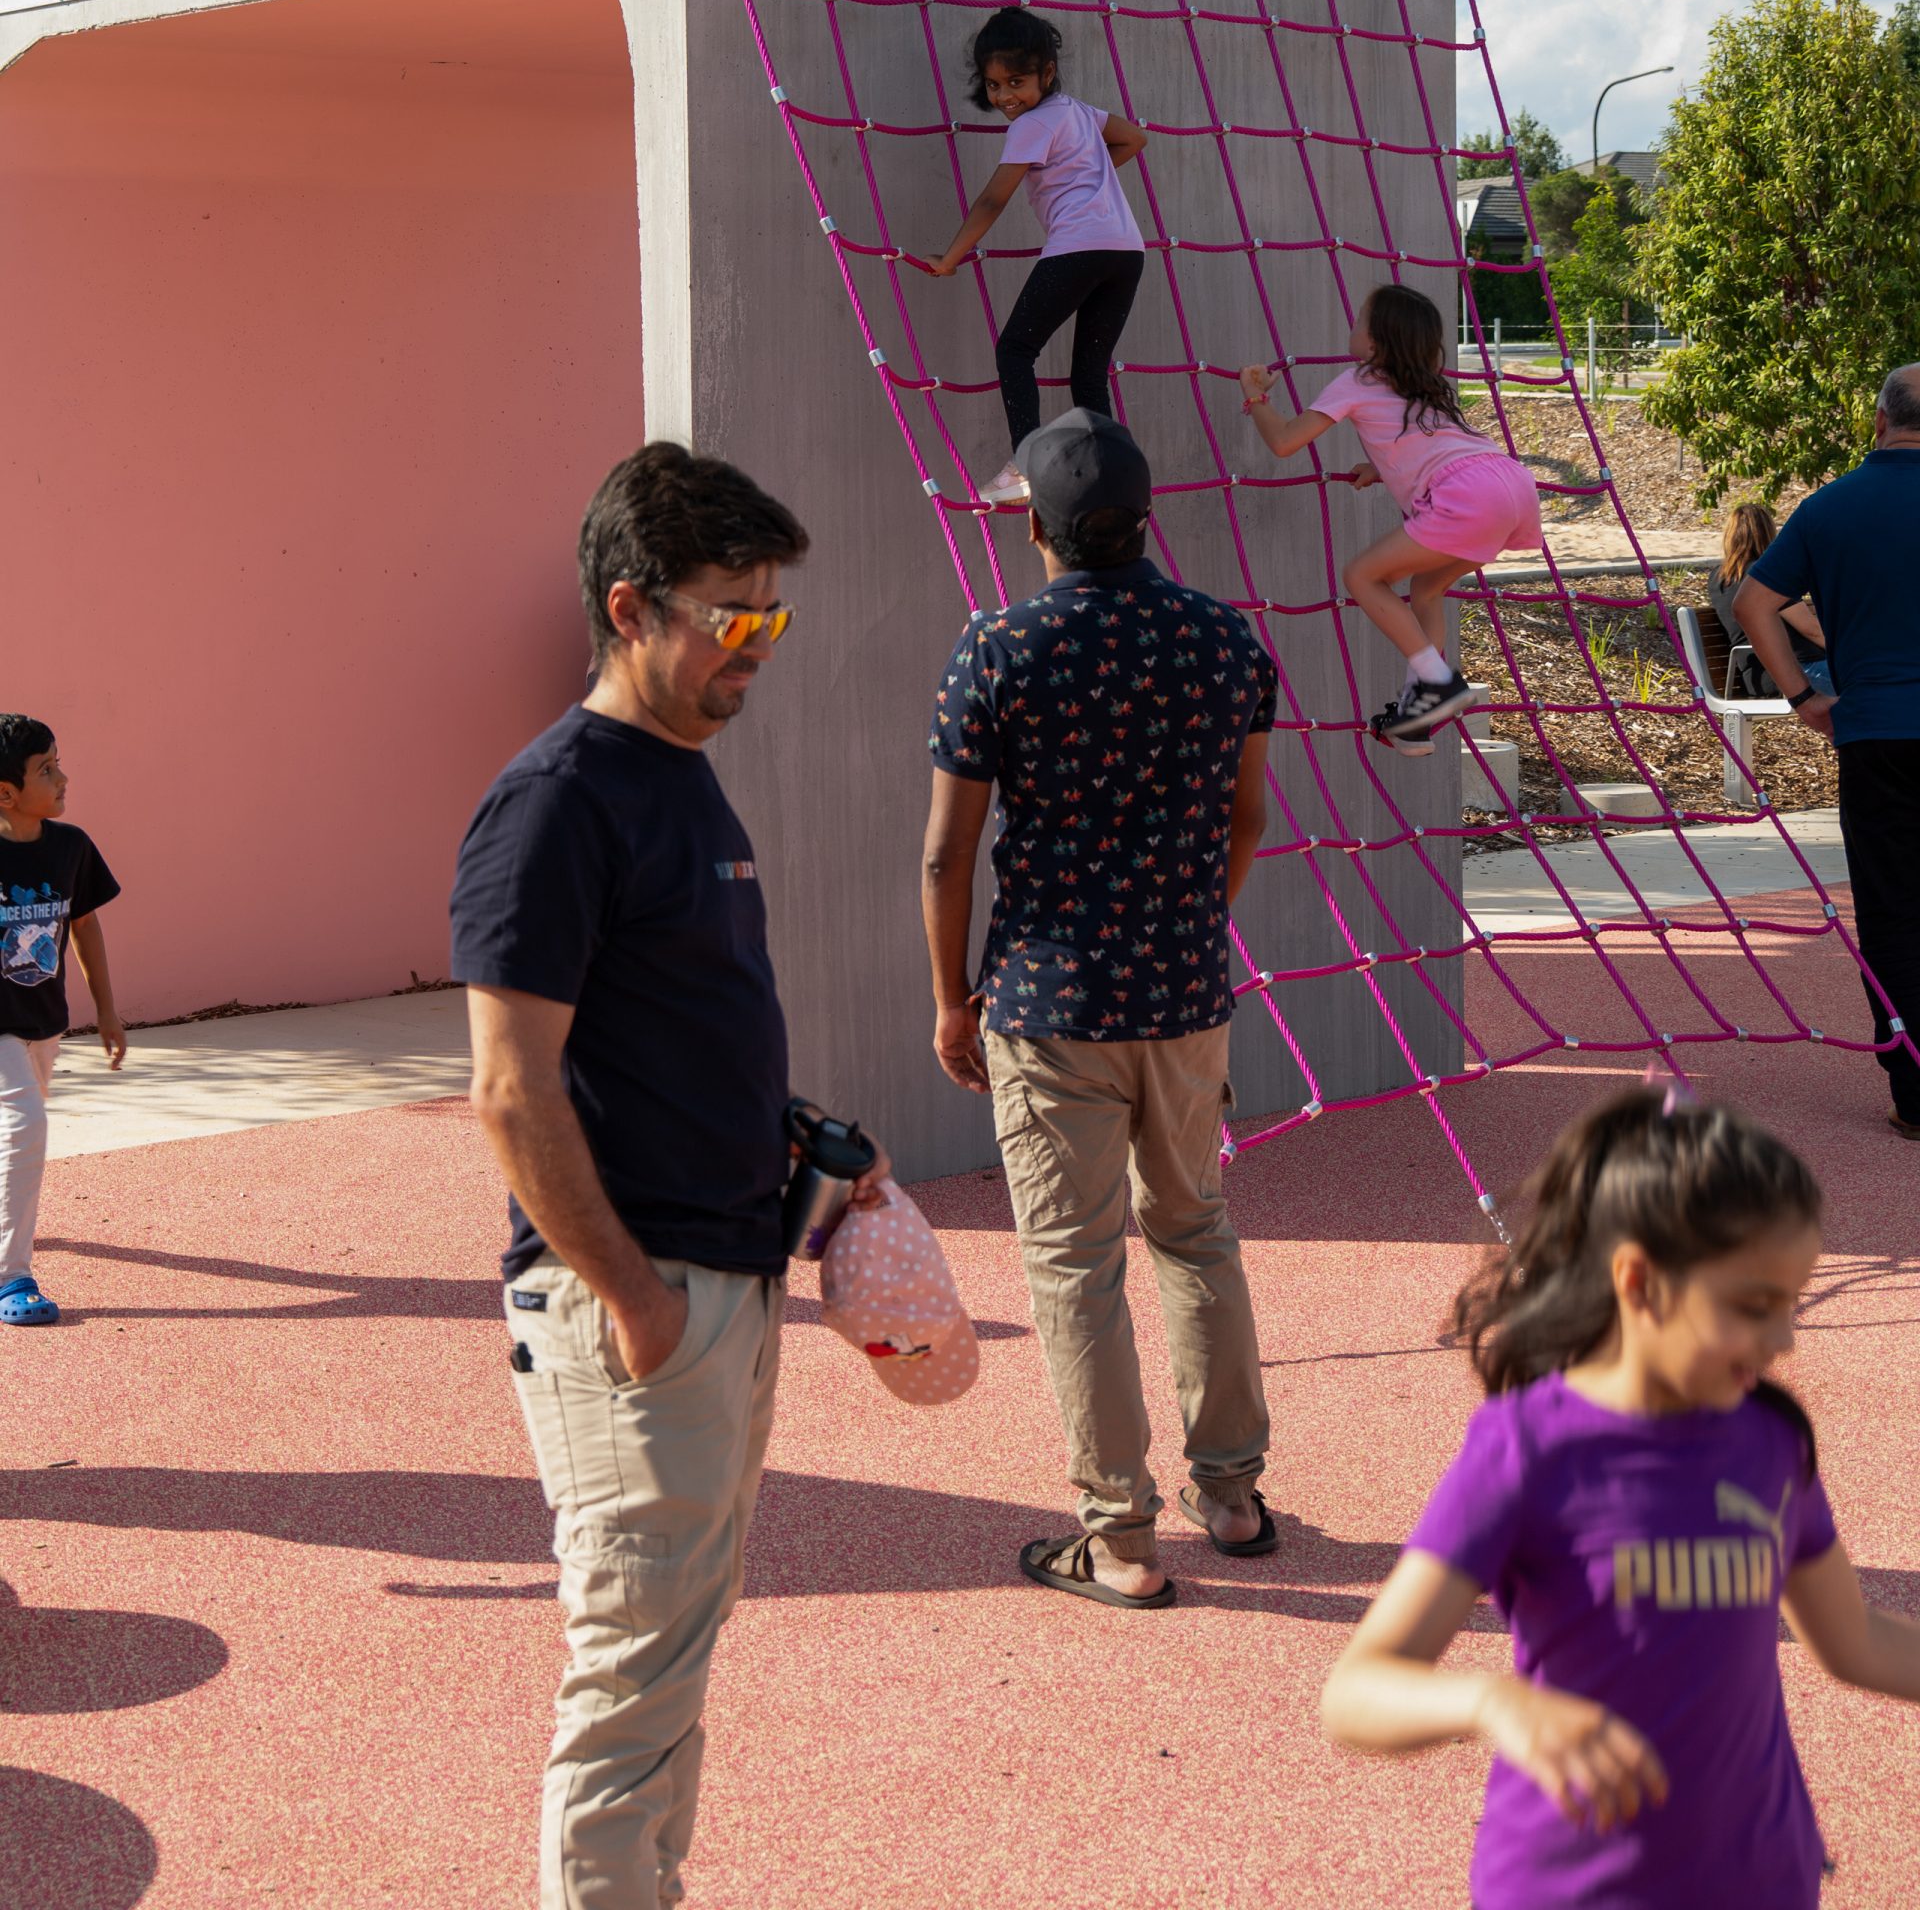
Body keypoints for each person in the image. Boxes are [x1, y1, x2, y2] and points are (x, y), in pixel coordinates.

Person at [451, 443, 888, 1910]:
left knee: (673, 1664)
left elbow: (660, 1039)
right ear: (632, 607)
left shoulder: (682, 783)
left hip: (723, 1277)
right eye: (734, 616)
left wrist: (796, 1141)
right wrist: (634, 1302)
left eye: (775, 616)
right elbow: (510, 1089)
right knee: (631, 1672)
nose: (757, 646)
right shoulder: (557, 802)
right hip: (633, 1308)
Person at [1322, 1088, 1920, 1908]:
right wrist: (1495, 1703)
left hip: (1760, 1879)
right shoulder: (1526, 1449)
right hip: (1570, 1890)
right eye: (1753, 1306)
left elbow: (1856, 1644)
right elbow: (1357, 1690)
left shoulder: (1771, 1444)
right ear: (1639, 1280)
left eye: (1791, 1304)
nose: (1783, 1339)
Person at [921, 409, 1276, 1610]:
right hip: (1184, 995)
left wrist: (950, 1001)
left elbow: (946, 854)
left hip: (1050, 997)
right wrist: (1189, 918)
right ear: (1147, 516)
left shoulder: (999, 647)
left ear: (1036, 525)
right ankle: (1229, 1494)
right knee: (1196, 1230)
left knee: (1075, 1266)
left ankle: (1119, 1536)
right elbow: (1247, 819)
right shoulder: (1225, 640)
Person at [1735, 361, 1920, 1141]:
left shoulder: (1829, 507)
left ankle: (1914, 1091)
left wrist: (1805, 697)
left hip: (1876, 728)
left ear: (1879, 423)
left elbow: (1753, 600)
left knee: (1891, 906)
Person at [1241, 282, 1541, 744]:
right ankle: (1416, 711)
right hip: (1511, 485)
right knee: (1426, 588)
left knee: (1362, 576)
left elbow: (1284, 442)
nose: (1353, 325)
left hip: (1467, 497)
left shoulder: (1358, 379)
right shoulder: (1428, 385)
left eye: (1360, 318)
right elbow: (1436, 449)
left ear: (1376, 342)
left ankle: (1437, 680)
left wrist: (1257, 397)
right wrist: (1380, 468)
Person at [928, 6, 1148, 508]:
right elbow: (1136, 138)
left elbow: (993, 199)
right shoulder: (1080, 113)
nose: (1005, 97)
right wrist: (1084, 171)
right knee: (1089, 371)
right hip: (1126, 252)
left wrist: (951, 258)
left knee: (1015, 350)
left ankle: (1027, 460)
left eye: (1017, 82)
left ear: (1047, 74)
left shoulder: (1031, 126)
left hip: (1079, 247)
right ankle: (1112, 476)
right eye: (993, 85)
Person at [0, 716, 127, 1331]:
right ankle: (12, 1273)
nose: (62, 776)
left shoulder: (70, 846)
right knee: (25, 1125)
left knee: (16, 1125)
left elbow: (84, 925)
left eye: (58, 762)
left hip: (44, 1020)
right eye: (45, 769)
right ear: (5, 792)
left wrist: (105, 1009)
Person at [1707, 502, 1830, 699]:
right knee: (1878, 680)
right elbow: (1811, 630)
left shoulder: (1718, 578)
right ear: (1767, 532)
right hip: (1794, 673)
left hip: (1759, 673)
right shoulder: (1766, 575)